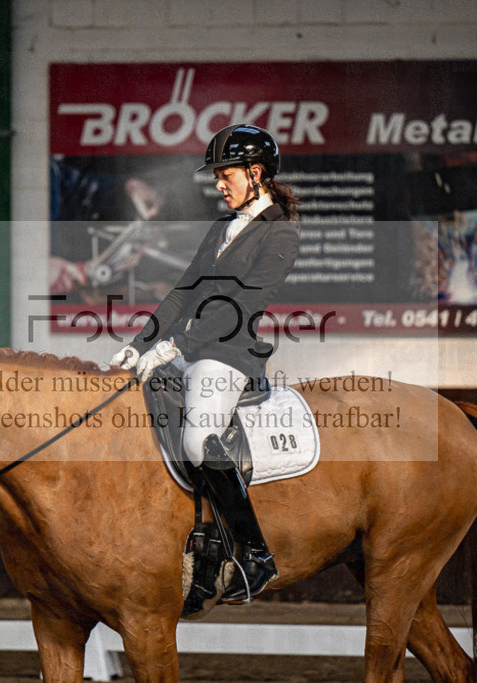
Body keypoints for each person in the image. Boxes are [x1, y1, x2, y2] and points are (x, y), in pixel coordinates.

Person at [111, 124, 300, 603]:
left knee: (198, 437)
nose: (219, 184)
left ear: (255, 173)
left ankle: (255, 553)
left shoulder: (279, 232)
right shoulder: (223, 228)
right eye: (216, 175)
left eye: (226, 174)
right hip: (194, 349)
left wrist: (175, 347)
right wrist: (140, 343)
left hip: (230, 354)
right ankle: (202, 548)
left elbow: (238, 305)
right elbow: (184, 291)